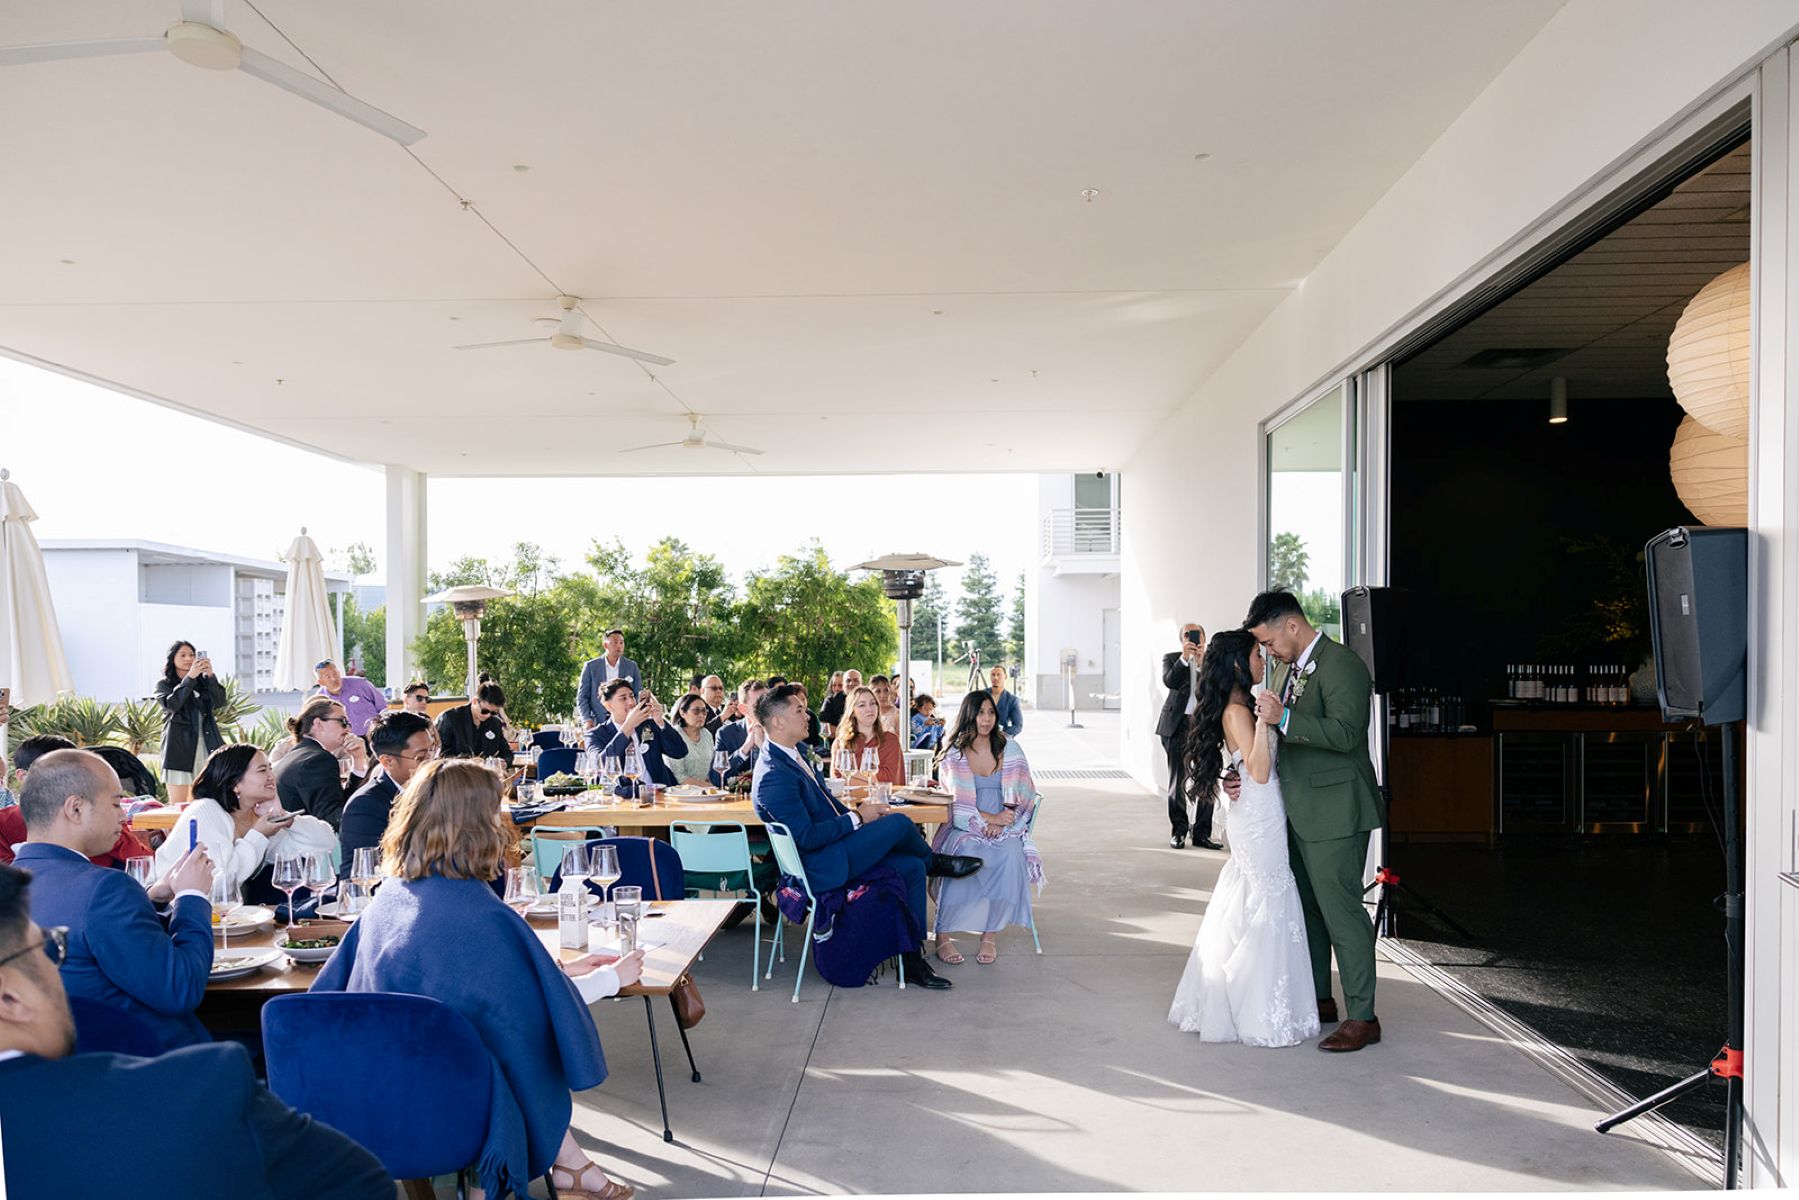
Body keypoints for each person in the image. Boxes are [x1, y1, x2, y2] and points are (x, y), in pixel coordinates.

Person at [313, 759, 643, 1200]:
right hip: (446, 1095)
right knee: (512, 1056)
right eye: (496, 811)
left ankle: (574, 1167)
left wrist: (555, 973)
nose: (503, 820)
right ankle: (550, 1172)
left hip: (374, 1080)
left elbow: (458, 989)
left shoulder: (389, 897)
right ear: (476, 825)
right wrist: (608, 980)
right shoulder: (482, 914)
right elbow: (524, 1018)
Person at [0, 862, 393, 1199]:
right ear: (9, 997)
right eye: (51, 949)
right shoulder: (194, 1093)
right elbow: (364, 1184)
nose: (58, 968)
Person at [751, 682, 981, 991]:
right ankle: (935, 862)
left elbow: (826, 806)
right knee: (899, 824)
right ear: (777, 722)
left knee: (911, 867)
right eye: (799, 711)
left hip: (834, 849)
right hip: (821, 867)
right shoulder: (773, 775)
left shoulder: (792, 755)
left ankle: (911, 960)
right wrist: (858, 818)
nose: (808, 716)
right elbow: (806, 837)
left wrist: (859, 815)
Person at [1166, 630, 1320, 1047]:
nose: (1262, 660)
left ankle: (1242, 993)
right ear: (1238, 662)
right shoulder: (1238, 711)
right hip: (1259, 810)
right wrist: (1269, 721)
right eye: (1256, 654)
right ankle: (1253, 1004)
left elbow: (1241, 763)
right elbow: (1258, 770)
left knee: (1252, 895)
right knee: (1268, 895)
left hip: (1255, 810)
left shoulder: (1239, 707)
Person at [1246, 590, 1385, 1053]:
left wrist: (1284, 716)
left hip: (1336, 810)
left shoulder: (1343, 664)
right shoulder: (1286, 667)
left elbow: (1347, 735)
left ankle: (1363, 1016)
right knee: (1308, 911)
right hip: (1297, 809)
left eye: (1268, 640)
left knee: (1342, 912)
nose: (1267, 651)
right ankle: (1320, 999)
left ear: (1291, 624)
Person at [12, 749, 220, 1049]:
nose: (124, 815)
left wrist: (154, 898)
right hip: (153, 1065)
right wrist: (193, 895)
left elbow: (92, 933)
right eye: (115, 803)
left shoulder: (11, 886)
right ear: (75, 809)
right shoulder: (104, 888)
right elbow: (180, 989)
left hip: (56, 1069)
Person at [931, 692, 1045, 966]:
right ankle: (943, 935)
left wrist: (1006, 822)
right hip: (965, 824)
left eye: (990, 712)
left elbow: (1026, 795)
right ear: (969, 714)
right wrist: (987, 820)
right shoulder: (954, 752)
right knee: (967, 854)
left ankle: (989, 935)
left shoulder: (1010, 748)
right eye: (980, 712)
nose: (986, 719)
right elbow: (953, 803)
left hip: (1005, 824)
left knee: (1010, 854)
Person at [160, 744, 336, 896]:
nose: (272, 777)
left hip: (235, 918)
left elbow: (324, 844)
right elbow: (219, 883)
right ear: (234, 783)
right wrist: (258, 835)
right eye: (262, 770)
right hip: (174, 914)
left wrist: (286, 818)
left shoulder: (256, 816)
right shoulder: (206, 810)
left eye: (270, 769)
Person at [1, 737, 153, 869]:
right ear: (23, 776)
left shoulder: (103, 818)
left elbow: (143, 860)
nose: (123, 816)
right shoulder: (4, 824)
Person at [337, 711, 434, 878]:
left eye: (433, 751)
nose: (432, 762)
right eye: (421, 757)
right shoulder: (365, 807)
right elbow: (370, 874)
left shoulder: (435, 790)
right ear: (387, 762)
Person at [1157, 623, 1222, 850]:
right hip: (1178, 726)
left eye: (1197, 636)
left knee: (1208, 778)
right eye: (1188, 636)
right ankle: (1179, 831)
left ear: (1204, 638)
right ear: (1181, 640)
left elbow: (1218, 689)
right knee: (1178, 781)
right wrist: (1185, 659)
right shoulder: (1173, 658)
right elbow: (1170, 681)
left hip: (1204, 726)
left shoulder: (1212, 661)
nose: (1193, 641)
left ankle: (1202, 833)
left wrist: (1204, 665)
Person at [272, 698, 369, 829]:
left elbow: (339, 805)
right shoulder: (318, 760)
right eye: (343, 721)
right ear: (318, 723)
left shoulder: (297, 755)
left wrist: (358, 760)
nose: (349, 729)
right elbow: (332, 818)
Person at [154, 640, 227, 806]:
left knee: (207, 802)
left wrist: (210, 676)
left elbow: (219, 702)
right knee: (178, 805)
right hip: (179, 751)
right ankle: (176, 833)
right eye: (183, 655)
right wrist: (189, 678)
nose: (188, 659)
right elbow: (172, 704)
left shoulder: (203, 682)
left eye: (192, 655)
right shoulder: (164, 684)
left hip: (207, 746)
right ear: (172, 658)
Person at [588, 679, 677, 789]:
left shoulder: (648, 725)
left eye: (631, 696)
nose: (631, 702)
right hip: (625, 797)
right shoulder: (595, 734)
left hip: (659, 793)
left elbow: (679, 752)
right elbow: (599, 764)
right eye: (623, 698)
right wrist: (627, 727)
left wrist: (660, 721)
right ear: (608, 706)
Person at [576, 630, 642, 744]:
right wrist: (587, 720)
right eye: (615, 642)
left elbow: (638, 694)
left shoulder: (632, 666)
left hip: (625, 722)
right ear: (605, 645)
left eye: (622, 642)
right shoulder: (591, 666)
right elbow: (582, 697)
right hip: (597, 723)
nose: (619, 646)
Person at [832, 686, 904, 787]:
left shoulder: (890, 740)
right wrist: (872, 778)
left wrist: (852, 773)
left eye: (872, 703)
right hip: (849, 801)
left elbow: (888, 780)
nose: (869, 709)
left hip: (883, 801)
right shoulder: (840, 743)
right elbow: (837, 780)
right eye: (862, 705)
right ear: (853, 712)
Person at [436, 675, 513, 759]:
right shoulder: (450, 718)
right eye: (485, 711)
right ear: (475, 701)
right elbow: (439, 754)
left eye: (493, 713)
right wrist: (467, 763)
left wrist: (504, 762)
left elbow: (507, 752)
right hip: (457, 771)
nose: (488, 715)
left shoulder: (495, 723)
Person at [311, 659, 387, 739]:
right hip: (345, 741)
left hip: (374, 735)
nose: (334, 678)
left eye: (335, 673)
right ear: (321, 682)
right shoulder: (320, 699)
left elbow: (382, 707)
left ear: (339, 672)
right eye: (328, 677)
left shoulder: (360, 684)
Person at [713, 678, 767, 786]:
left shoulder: (781, 731)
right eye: (759, 705)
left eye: (768, 703)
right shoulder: (725, 734)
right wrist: (744, 749)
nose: (766, 708)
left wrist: (765, 746)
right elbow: (716, 779)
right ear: (743, 709)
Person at [660, 694, 717, 786]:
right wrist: (711, 787)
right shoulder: (673, 735)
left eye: (704, 711)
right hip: (678, 792)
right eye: (696, 711)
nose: (701, 715)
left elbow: (711, 769)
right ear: (682, 712)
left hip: (704, 793)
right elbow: (678, 777)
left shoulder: (707, 734)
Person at [818, 667, 862, 737]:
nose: (851, 683)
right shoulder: (831, 701)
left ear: (861, 683)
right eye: (848, 680)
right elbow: (824, 727)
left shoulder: (868, 701)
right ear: (844, 684)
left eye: (856, 680)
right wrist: (850, 735)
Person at [986, 665, 1025, 739]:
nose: (995, 677)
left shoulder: (1012, 700)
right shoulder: (980, 696)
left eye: (999, 675)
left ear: (1005, 677)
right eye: (993, 675)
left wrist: (1001, 732)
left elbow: (1017, 726)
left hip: (1000, 738)